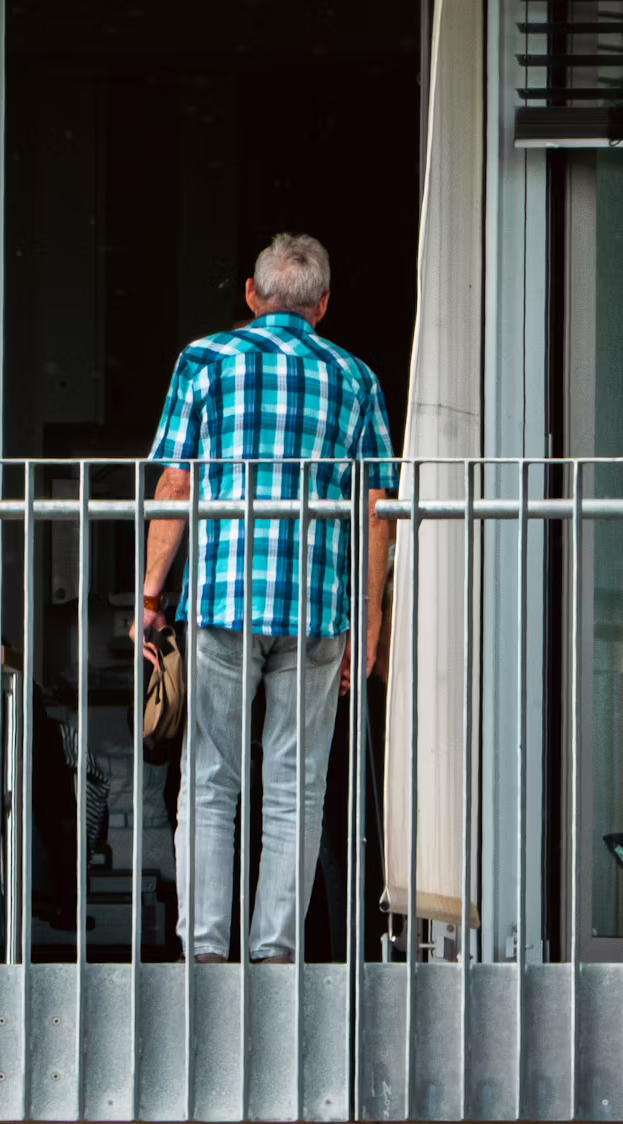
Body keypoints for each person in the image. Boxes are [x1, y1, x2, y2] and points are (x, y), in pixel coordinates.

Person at [132, 233, 395, 964]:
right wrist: (370, 623)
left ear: (251, 295)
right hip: (318, 608)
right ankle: (276, 953)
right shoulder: (355, 377)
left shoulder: (205, 360)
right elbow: (378, 510)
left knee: (211, 781)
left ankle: (206, 953)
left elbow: (176, 481)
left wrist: (151, 596)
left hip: (223, 599)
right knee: (296, 788)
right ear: (323, 305)